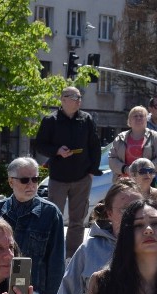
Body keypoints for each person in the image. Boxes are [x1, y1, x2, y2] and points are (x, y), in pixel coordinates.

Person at [35, 86, 102, 257]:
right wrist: (57, 151)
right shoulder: (51, 120)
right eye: (74, 97)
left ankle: (72, 256)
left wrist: (92, 171)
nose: (78, 100)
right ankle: (52, 253)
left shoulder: (86, 119)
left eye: (80, 96)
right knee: (53, 219)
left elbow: (95, 146)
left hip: (82, 177)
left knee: (77, 221)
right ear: (63, 99)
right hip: (58, 178)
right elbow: (40, 145)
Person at [0, 157, 65, 294]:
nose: (31, 185)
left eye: (35, 179)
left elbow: (56, 262)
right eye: (25, 180)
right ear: (11, 182)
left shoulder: (50, 213)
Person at [109, 105, 157, 184]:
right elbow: (112, 158)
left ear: (146, 119)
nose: (138, 118)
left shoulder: (154, 136)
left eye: (141, 116)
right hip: (124, 183)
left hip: (148, 182)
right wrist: (126, 169)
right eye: (135, 116)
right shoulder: (120, 138)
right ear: (129, 120)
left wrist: (145, 170)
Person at [128, 157, 157, 223]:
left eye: (151, 171)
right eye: (143, 171)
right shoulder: (126, 196)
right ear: (133, 175)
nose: (148, 174)